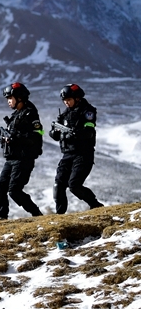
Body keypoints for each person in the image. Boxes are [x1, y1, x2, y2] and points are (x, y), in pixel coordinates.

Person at [49, 84, 104, 213]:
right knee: (58, 184)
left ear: (77, 98)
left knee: (74, 185)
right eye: (64, 100)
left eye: (68, 99)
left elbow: (89, 131)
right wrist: (55, 133)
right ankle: (59, 216)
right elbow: (55, 133)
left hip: (83, 154)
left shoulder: (88, 111)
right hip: (67, 154)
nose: (66, 103)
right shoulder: (65, 114)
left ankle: (95, 205)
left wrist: (75, 134)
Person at [0, 82, 44, 220]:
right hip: (11, 159)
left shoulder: (30, 114)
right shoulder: (16, 114)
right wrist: (5, 139)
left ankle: (37, 215)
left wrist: (15, 138)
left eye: (10, 98)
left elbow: (37, 136)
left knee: (14, 191)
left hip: (24, 159)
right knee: (0, 188)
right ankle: (2, 219)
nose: (8, 101)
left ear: (20, 98)